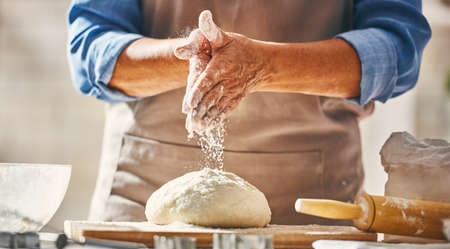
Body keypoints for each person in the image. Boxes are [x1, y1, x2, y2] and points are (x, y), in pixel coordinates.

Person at [67, 0, 431, 225]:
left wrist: (266, 65)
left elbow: (397, 46)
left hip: (310, 211)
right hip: (143, 197)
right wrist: (195, 56)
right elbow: (90, 45)